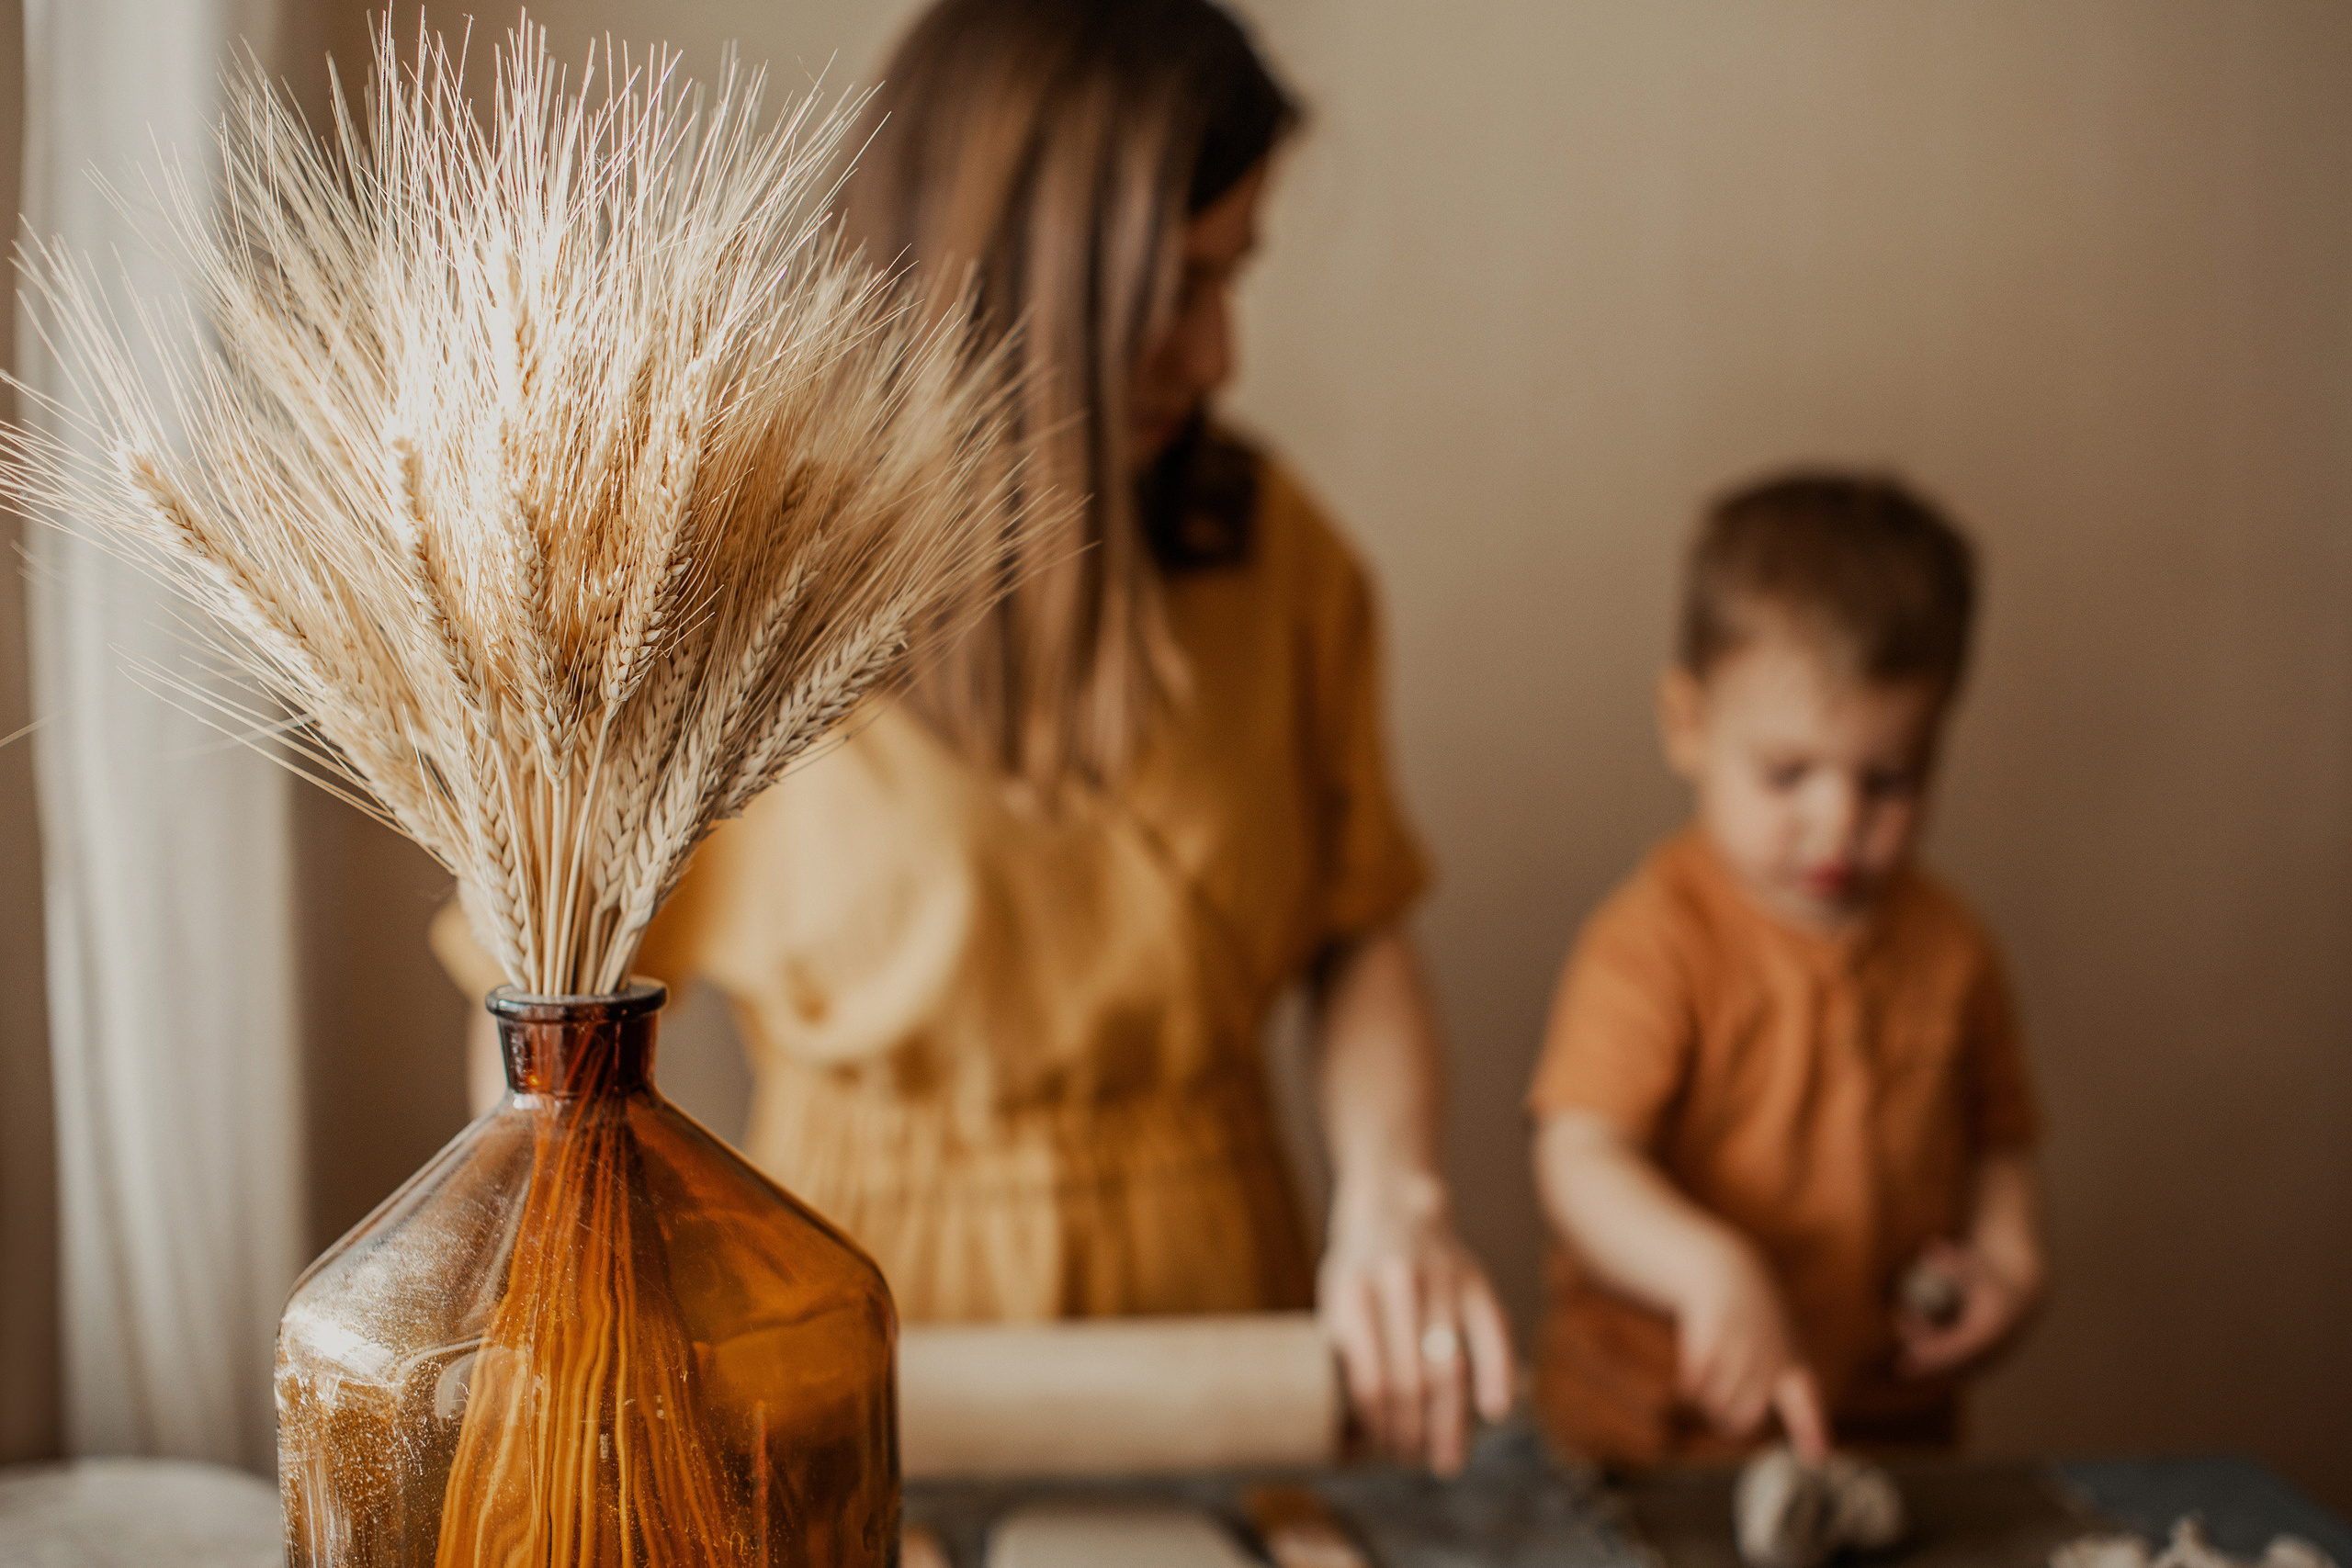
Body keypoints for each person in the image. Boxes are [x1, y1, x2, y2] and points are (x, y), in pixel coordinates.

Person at [435, 0, 1513, 1472]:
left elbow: (1358, 924)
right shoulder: (710, 604)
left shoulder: (1285, 565)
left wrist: (1397, 1191)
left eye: (1233, 278)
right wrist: (572, 1297)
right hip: (848, 1313)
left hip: (1217, 1322)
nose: (1219, 354)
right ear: (1033, 277)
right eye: (1179, 286)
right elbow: (546, 1016)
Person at [1525, 472, 2046, 1468]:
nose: (1837, 825)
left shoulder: (1953, 949)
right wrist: (1706, 1267)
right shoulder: (1652, 943)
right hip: (1653, 1446)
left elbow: (2000, 1147)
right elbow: (1578, 1161)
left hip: (1882, 1440)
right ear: (1686, 725)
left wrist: (2010, 1267)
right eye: (1786, 775)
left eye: (1888, 781)